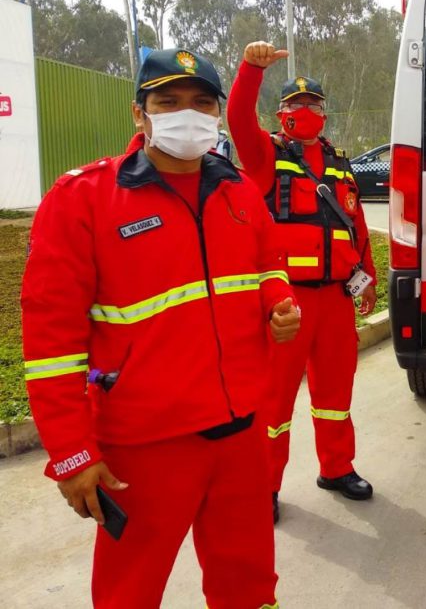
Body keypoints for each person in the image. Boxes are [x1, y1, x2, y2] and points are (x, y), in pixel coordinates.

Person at [21, 48, 299, 608]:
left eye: (201, 103)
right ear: (139, 113)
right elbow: (51, 344)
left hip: (241, 433)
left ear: (216, 114)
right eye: (168, 102)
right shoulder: (83, 200)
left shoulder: (240, 191)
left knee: (250, 582)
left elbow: (269, 262)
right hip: (144, 448)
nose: (186, 114)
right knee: (129, 590)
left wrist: (279, 300)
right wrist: (72, 454)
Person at [227, 41, 377, 520]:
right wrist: (250, 71)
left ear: (324, 114)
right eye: (295, 104)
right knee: (274, 402)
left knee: (335, 394)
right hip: (286, 301)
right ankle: (264, 486)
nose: (305, 110)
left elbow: (356, 227)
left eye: (312, 104)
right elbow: (238, 120)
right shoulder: (266, 157)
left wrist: (368, 278)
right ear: (281, 114)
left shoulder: (340, 163)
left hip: (336, 299)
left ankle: (337, 467)